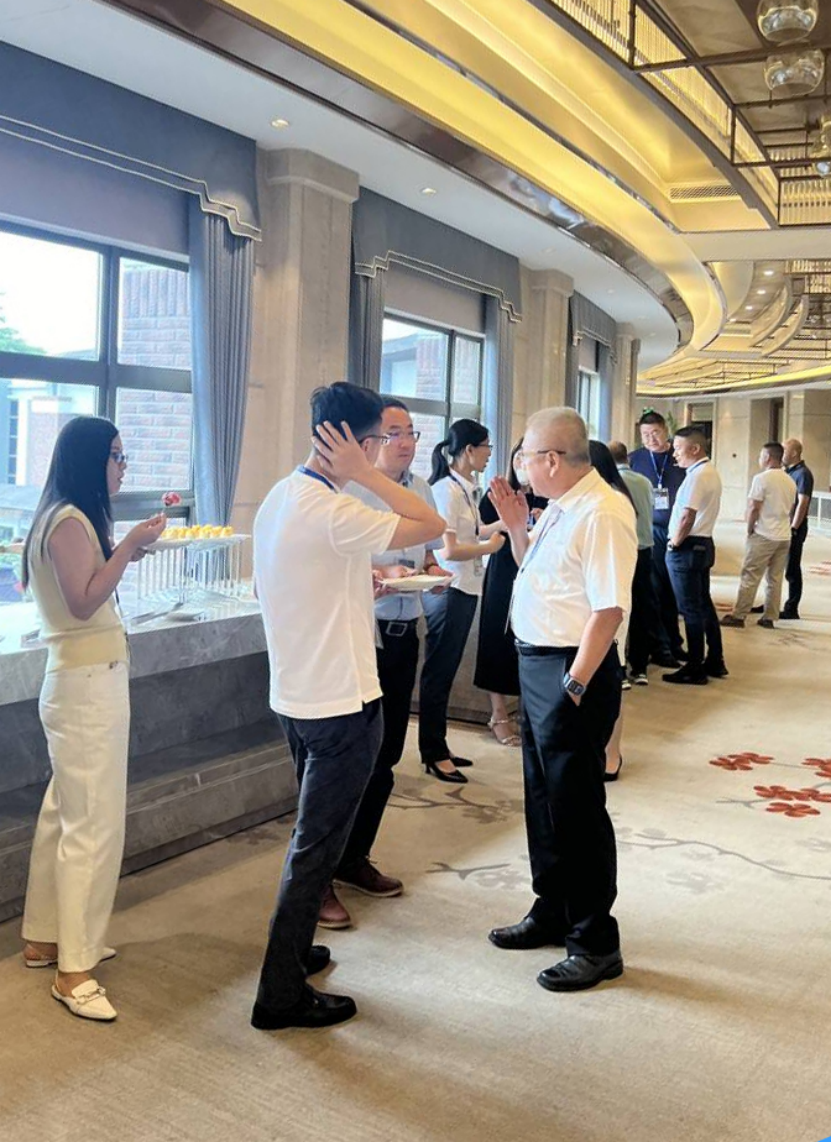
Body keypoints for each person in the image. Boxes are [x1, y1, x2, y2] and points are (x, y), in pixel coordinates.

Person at [250, 381, 444, 1031]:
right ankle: (279, 995)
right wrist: (366, 474)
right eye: (380, 440)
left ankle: (296, 951)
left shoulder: (283, 495)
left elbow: (281, 584)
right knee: (316, 847)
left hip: (297, 693)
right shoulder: (332, 507)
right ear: (357, 443)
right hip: (338, 701)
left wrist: (360, 580)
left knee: (311, 838)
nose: (388, 448)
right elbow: (431, 525)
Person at [20, 416, 166, 1022]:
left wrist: (124, 549)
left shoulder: (59, 517)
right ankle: (74, 970)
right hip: (85, 685)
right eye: (116, 456)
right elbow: (83, 603)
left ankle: (45, 938)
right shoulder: (69, 521)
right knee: (93, 824)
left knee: (65, 813)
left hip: (81, 680)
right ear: (90, 459)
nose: (122, 467)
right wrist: (127, 547)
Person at [487, 408, 637, 993]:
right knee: (543, 799)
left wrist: (573, 684)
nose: (520, 466)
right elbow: (537, 574)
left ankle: (595, 941)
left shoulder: (601, 512)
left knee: (576, 809)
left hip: (571, 671)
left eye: (525, 456)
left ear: (551, 460)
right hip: (539, 665)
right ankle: (552, 908)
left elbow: (608, 609)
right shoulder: (562, 505)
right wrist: (515, 527)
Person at [318, 397, 448, 930]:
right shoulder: (347, 492)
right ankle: (320, 877)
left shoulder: (418, 491)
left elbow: (430, 546)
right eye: (392, 432)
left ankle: (354, 857)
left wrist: (428, 572)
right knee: (346, 761)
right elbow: (336, 560)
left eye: (411, 432)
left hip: (403, 631)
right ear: (365, 441)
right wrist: (380, 573)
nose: (405, 442)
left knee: (387, 754)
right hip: (360, 638)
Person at [419, 419, 505, 784]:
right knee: (438, 673)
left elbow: (473, 531)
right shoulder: (446, 490)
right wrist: (489, 547)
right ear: (469, 450)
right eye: (486, 447)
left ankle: (438, 745)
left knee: (447, 672)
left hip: (466, 587)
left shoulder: (465, 488)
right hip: (450, 589)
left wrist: (502, 524)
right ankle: (433, 751)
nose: (488, 454)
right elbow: (449, 549)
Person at [473, 441, 547, 746]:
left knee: (530, 640)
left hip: (537, 569)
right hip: (503, 567)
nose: (522, 463)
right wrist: (506, 523)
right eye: (518, 456)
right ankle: (498, 713)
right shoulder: (499, 493)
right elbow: (478, 530)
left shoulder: (547, 494)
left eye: (527, 457)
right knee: (497, 636)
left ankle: (528, 713)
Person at [663, 426, 726, 686]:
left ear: (695, 448)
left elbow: (687, 515)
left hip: (688, 547)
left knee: (690, 609)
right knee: (703, 605)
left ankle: (694, 666)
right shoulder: (709, 471)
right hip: (703, 544)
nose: (674, 453)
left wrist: (674, 543)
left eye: (678, 448)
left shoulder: (697, 476)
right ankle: (715, 659)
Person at [589, 441, 637, 782]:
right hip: (599, 603)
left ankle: (612, 752)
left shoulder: (612, 502)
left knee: (612, 677)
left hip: (611, 603)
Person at [629, 411, 686, 667]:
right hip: (647, 532)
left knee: (672, 591)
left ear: (665, 431)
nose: (651, 439)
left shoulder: (678, 457)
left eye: (655, 433)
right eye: (645, 434)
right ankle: (660, 647)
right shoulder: (635, 459)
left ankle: (674, 642)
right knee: (654, 590)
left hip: (675, 531)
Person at [721, 442, 795, 631]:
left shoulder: (762, 479)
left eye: (761, 456)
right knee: (775, 578)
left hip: (764, 533)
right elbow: (791, 507)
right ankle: (769, 617)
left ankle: (739, 615)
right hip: (784, 535)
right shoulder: (790, 480)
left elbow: (754, 506)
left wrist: (749, 528)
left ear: (768, 457)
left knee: (750, 575)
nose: (759, 459)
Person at [609, 440, 658, 685]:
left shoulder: (611, 486)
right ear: (627, 457)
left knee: (619, 610)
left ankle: (619, 668)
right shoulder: (645, 482)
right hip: (645, 551)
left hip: (621, 553)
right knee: (642, 608)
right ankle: (640, 668)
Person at [780, 439, 814, 620]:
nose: (781, 454)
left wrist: (794, 527)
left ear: (794, 453)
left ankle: (791, 608)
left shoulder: (803, 474)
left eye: (784, 450)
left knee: (792, 569)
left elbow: (803, 502)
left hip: (794, 528)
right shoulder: (788, 472)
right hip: (783, 526)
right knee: (777, 567)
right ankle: (772, 601)